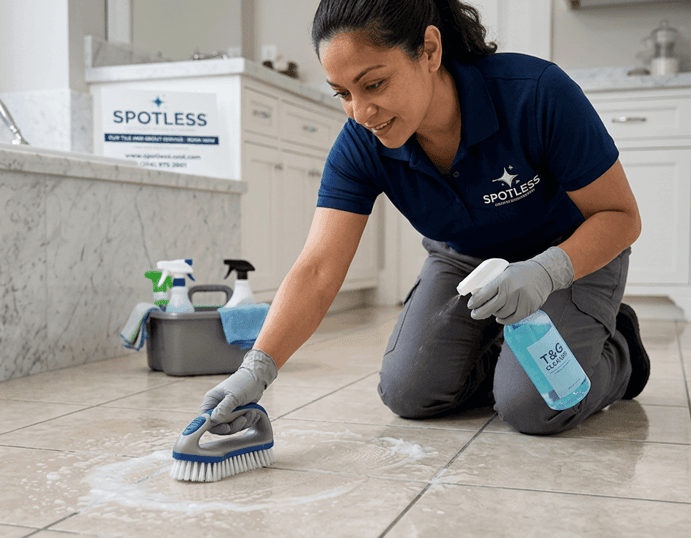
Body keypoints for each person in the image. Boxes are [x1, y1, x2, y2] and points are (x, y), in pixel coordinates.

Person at [199, 0, 651, 436]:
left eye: (373, 84)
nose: (360, 113)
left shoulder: (534, 93)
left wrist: (545, 270)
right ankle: (509, 356)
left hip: (569, 254)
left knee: (535, 406)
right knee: (409, 392)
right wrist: (257, 368)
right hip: (466, 262)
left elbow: (621, 216)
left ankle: (620, 350)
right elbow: (318, 268)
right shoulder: (361, 145)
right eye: (343, 94)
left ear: (430, 51)